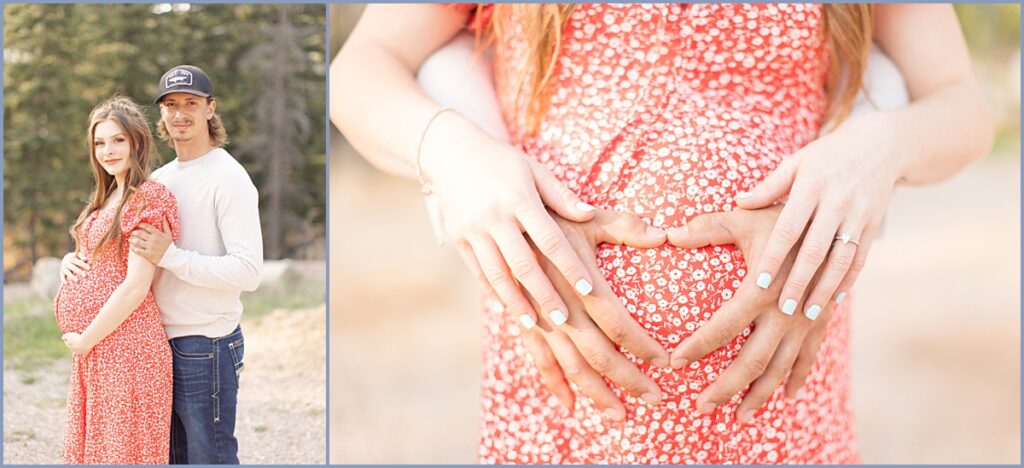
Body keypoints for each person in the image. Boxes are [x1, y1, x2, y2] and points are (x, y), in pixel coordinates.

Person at [332, 4, 992, 463]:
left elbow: (959, 103)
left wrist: (880, 148)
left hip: (781, 407)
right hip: (562, 410)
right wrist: (454, 156)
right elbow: (362, 71)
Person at [62, 65, 263, 464]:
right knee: (167, 456)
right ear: (161, 115)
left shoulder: (228, 177)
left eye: (191, 102)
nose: (180, 113)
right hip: (152, 341)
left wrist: (171, 256)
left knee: (210, 455)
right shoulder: (163, 179)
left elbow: (249, 271)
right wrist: (74, 260)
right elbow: (124, 254)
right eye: (171, 105)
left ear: (211, 109)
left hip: (204, 341)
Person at [56, 95, 179, 464]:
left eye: (117, 140)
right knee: (96, 450)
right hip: (99, 348)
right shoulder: (107, 196)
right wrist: (68, 259)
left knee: (120, 453)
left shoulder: (147, 199)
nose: (107, 150)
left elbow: (136, 286)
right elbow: (95, 256)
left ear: (137, 142)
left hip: (128, 349)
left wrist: (85, 340)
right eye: (99, 142)